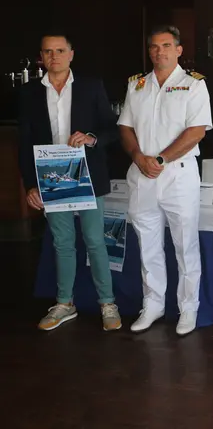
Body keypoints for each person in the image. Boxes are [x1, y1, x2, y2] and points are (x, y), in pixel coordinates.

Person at [18, 33, 121, 331]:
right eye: (48, 52)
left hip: (88, 175)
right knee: (62, 242)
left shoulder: (91, 86)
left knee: (95, 240)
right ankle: (65, 303)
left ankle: (107, 303)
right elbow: (24, 143)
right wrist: (30, 184)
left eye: (60, 50)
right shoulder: (29, 93)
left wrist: (91, 139)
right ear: (41, 56)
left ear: (71, 54)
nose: (54, 57)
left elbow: (111, 130)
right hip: (50, 177)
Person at [118, 25, 213, 336]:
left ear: (179, 50)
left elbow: (196, 131)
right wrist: (138, 157)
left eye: (166, 46)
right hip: (142, 175)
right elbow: (126, 128)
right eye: (155, 47)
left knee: (185, 246)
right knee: (148, 245)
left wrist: (160, 159)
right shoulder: (137, 85)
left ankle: (188, 309)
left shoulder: (193, 86)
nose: (160, 52)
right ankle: (153, 304)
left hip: (178, 175)